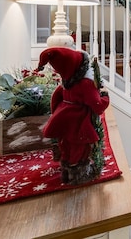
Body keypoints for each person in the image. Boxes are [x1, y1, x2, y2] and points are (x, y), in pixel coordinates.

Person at [38, 47, 110, 185]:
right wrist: (105, 96)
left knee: (66, 145)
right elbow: (97, 104)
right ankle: (78, 176)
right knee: (80, 148)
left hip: (64, 117)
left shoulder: (67, 82)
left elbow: (55, 96)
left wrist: (56, 113)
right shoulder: (85, 83)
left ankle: (66, 170)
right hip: (78, 122)